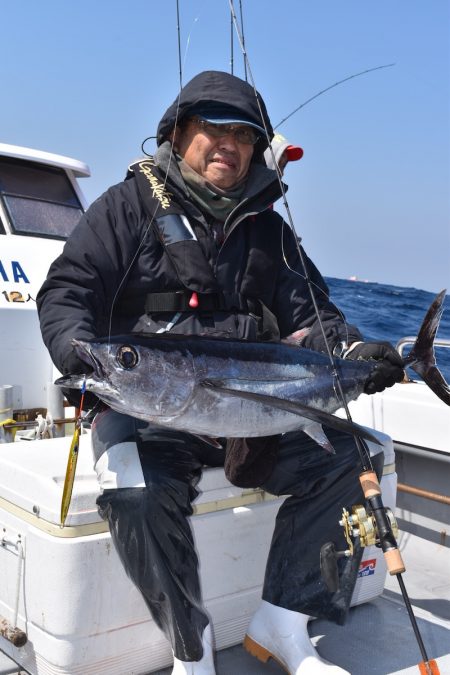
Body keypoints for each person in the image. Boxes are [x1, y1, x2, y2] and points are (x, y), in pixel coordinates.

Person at [37, 70, 404, 675]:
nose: (227, 144)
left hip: (244, 416)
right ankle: (192, 649)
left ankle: (282, 624)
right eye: (211, 126)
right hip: (146, 411)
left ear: (257, 152)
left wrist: (359, 352)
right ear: (180, 132)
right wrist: (77, 348)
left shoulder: (268, 231)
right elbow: (67, 289)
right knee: (134, 492)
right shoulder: (127, 209)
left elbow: (318, 318)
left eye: (243, 134)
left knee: (351, 458)